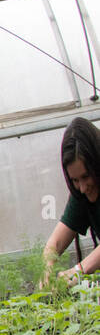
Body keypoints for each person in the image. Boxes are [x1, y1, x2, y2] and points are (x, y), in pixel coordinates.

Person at [43, 116, 100, 283]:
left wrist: (78, 271)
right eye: (75, 180)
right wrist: (45, 269)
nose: (82, 188)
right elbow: (57, 240)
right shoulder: (82, 193)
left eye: (86, 176)